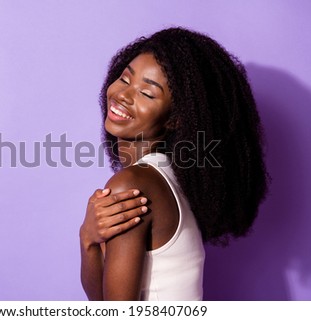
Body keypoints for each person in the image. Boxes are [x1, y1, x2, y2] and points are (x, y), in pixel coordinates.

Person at [79, 27, 268, 301]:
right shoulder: (173, 177)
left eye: (147, 93)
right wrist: (89, 240)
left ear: (175, 119)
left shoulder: (132, 186)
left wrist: (87, 240)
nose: (123, 94)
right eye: (124, 78)